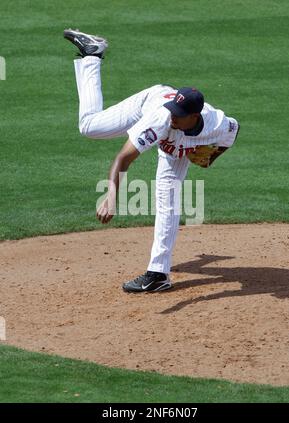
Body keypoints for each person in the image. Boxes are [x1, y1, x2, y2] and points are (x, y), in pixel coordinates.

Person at [63, 29, 240, 293]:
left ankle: (157, 273)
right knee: (89, 127)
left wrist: (209, 157)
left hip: (176, 151)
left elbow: (232, 133)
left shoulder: (217, 124)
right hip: (147, 102)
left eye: (180, 115)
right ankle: (92, 55)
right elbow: (124, 157)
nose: (174, 117)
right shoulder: (160, 118)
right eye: (174, 112)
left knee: (166, 199)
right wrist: (112, 195)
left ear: (195, 116)